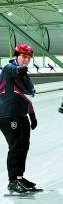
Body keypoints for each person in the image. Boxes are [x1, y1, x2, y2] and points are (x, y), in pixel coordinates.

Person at [0, 43, 38, 194]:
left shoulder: (23, 74)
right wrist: (19, 69)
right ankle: (12, 181)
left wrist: (32, 115)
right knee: (15, 147)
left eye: (29, 57)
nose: (26, 60)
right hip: (7, 115)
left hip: (20, 114)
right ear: (16, 56)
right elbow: (14, 70)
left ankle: (19, 177)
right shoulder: (10, 68)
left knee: (24, 146)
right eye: (24, 56)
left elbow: (25, 97)